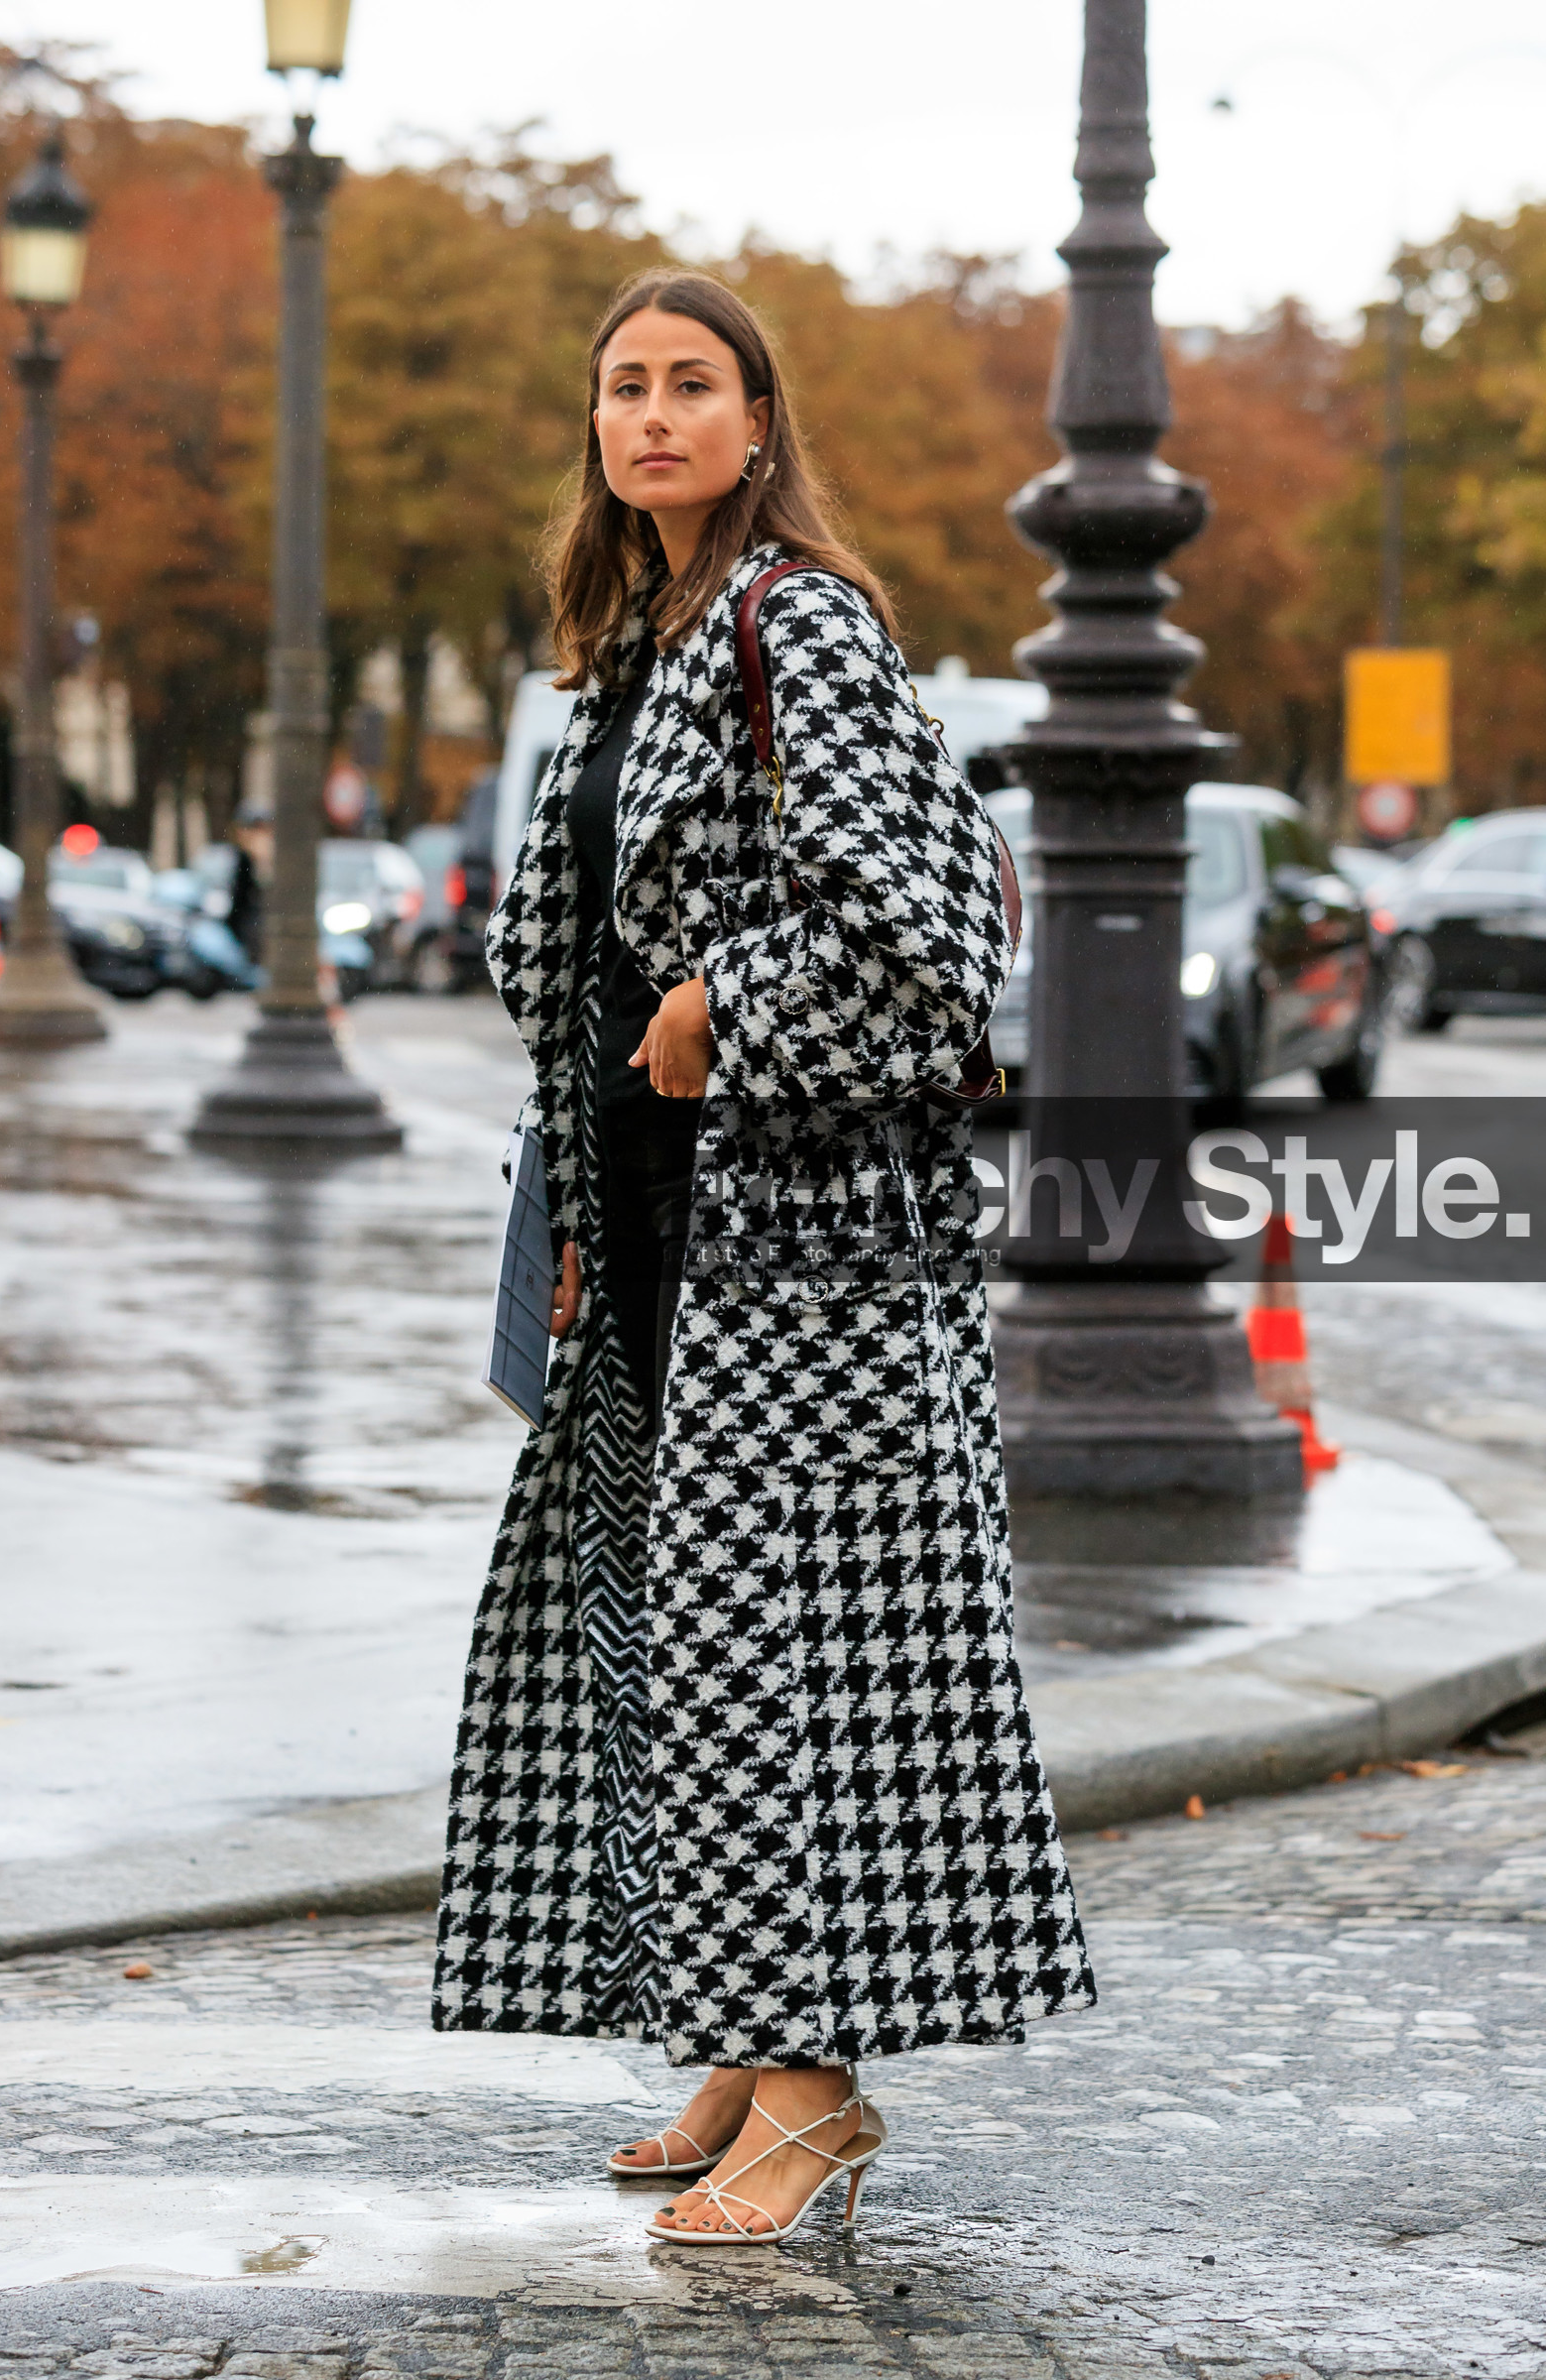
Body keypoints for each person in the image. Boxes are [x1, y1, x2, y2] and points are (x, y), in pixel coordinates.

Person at [433, 268, 1095, 2244]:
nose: (650, 413)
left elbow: (925, 925)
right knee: (672, 1641)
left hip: (801, 1250)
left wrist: (725, 998)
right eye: (622, 385)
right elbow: (575, 948)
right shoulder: (636, 644)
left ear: (755, 422)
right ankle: (740, 2036)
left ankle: (815, 2091)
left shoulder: (797, 621)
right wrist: (580, 1179)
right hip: (655, 1217)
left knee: (778, 1653)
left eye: (690, 384)